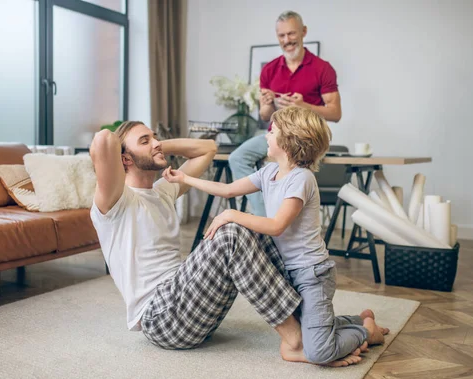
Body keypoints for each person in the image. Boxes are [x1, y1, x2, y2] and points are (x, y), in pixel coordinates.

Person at [90, 121, 348, 365]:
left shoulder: (163, 190)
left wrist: (155, 145)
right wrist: (133, 146)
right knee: (230, 235)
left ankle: (315, 329)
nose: (156, 142)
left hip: (188, 304)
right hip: (161, 318)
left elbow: (207, 149)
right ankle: (294, 340)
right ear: (124, 158)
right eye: (145, 140)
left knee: (255, 229)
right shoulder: (116, 201)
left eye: (155, 137)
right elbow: (103, 139)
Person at [164, 107, 389, 367]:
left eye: (272, 131)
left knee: (319, 353)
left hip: (312, 275)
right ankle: (358, 320)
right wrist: (185, 178)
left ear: (290, 141)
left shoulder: (301, 179)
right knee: (312, 330)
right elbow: (226, 190)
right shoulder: (268, 173)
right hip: (288, 273)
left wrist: (231, 215)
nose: (266, 136)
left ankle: (366, 332)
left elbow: (276, 225)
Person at [229, 10, 342, 217]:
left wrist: (305, 106)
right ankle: (264, 216)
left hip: (306, 137)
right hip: (277, 134)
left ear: (303, 32)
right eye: (282, 36)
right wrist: (267, 103)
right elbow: (265, 116)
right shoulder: (269, 70)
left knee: (287, 171)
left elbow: (335, 113)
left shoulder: (322, 68)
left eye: (291, 34)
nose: (287, 40)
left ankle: (283, 225)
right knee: (237, 158)